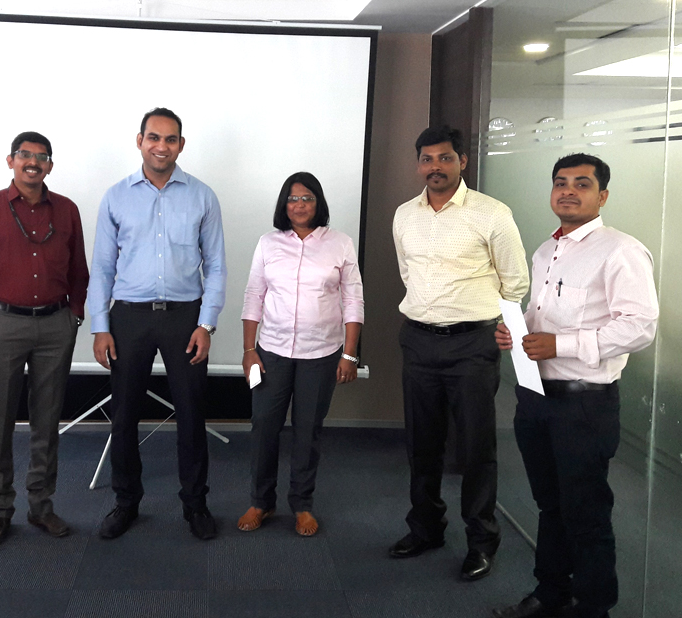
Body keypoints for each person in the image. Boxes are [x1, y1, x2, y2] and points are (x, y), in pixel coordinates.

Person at [492, 154, 658, 618]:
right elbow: (542, 313)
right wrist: (517, 331)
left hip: (584, 406)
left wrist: (560, 344)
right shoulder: (545, 250)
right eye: (560, 182)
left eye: (581, 184)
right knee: (550, 505)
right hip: (536, 397)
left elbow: (640, 327)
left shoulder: (621, 250)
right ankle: (551, 593)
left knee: (585, 512)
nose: (568, 191)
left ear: (602, 196)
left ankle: (594, 607)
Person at [390, 125, 529, 581]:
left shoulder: (492, 213)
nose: (436, 167)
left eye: (445, 158)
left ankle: (481, 542)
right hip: (418, 340)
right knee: (422, 445)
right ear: (419, 164)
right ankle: (426, 528)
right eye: (427, 159)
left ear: (462, 162)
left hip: (472, 344)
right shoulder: (404, 215)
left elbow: (515, 282)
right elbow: (408, 272)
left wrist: (504, 329)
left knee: (475, 449)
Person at [90, 107, 226, 541]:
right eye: (154, 137)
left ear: (181, 145)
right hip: (128, 317)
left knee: (191, 414)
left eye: (170, 139)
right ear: (140, 141)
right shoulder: (116, 197)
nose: (161, 146)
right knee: (124, 416)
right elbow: (102, 268)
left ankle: (195, 504)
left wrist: (206, 324)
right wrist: (100, 326)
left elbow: (216, 266)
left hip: (186, 318)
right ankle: (126, 502)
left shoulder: (202, 196)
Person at [0, 131, 89, 547]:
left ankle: (41, 506)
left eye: (41, 156)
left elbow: (79, 270)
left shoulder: (67, 210)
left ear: (50, 165)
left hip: (55, 326)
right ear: (11, 160)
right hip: (4, 325)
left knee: (47, 421)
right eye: (25, 155)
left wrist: (74, 315)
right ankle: (0, 510)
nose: (33, 162)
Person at [238, 172, 364, 537]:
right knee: (264, 426)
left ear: (318, 202)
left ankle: (302, 504)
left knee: (308, 431)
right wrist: (249, 349)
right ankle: (261, 501)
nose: (299, 205)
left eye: (307, 198)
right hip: (272, 352)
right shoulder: (268, 243)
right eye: (292, 199)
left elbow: (353, 299)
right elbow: (254, 295)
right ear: (284, 205)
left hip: (321, 354)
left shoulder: (340, 243)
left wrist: (350, 354)